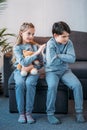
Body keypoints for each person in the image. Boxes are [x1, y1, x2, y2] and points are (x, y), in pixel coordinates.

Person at [44, 21, 85, 124]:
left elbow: (72, 59)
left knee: (77, 85)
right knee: (52, 86)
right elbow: (51, 61)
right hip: (51, 71)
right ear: (55, 35)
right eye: (63, 36)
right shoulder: (50, 44)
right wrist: (64, 57)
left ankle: (79, 113)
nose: (66, 39)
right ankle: (50, 114)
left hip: (65, 70)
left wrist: (58, 55)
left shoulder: (69, 42)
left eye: (68, 36)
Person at [12, 22, 45, 124]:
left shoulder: (35, 46)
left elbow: (41, 63)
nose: (31, 36)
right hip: (20, 70)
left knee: (30, 83)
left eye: (33, 34)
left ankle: (28, 113)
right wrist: (37, 52)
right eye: (29, 33)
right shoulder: (17, 47)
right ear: (21, 33)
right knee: (20, 84)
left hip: (33, 69)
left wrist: (34, 66)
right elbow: (23, 62)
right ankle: (21, 113)